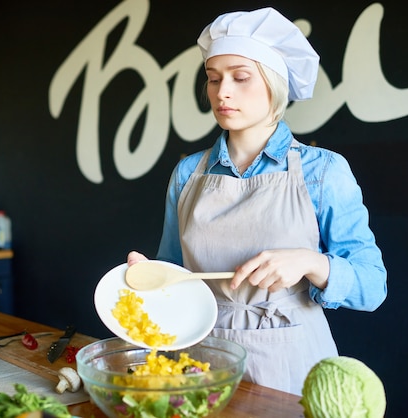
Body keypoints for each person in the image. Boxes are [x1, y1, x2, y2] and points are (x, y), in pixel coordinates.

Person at [127, 7, 387, 395]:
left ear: (275, 84)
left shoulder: (323, 171)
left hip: (296, 368)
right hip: (206, 363)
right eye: (213, 79)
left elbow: (372, 286)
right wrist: (149, 278)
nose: (222, 92)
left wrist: (311, 263)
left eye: (240, 77)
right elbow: (175, 277)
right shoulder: (187, 174)